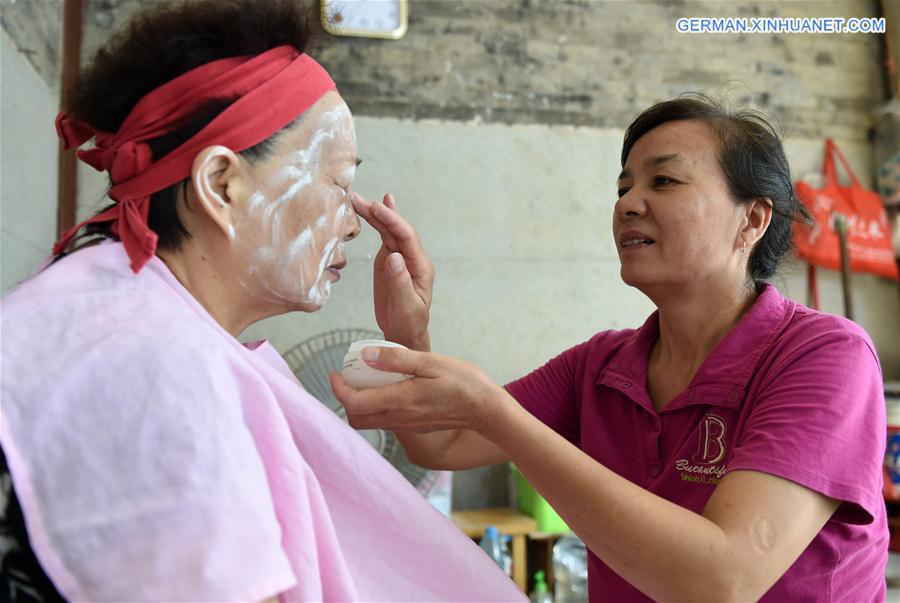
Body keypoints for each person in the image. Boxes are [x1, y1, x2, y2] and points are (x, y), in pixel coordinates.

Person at [0, 1, 522, 601]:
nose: (354, 224)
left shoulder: (106, 302)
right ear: (221, 184)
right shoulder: (157, 365)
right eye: (338, 184)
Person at [333, 96, 890, 601]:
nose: (628, 204)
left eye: (664, 182)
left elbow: (722, 579)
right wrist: (410, 334)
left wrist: (497, 414)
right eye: (623, 188)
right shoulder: (601, 366)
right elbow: (443, 443)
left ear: (752, 220)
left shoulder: (824, 356)